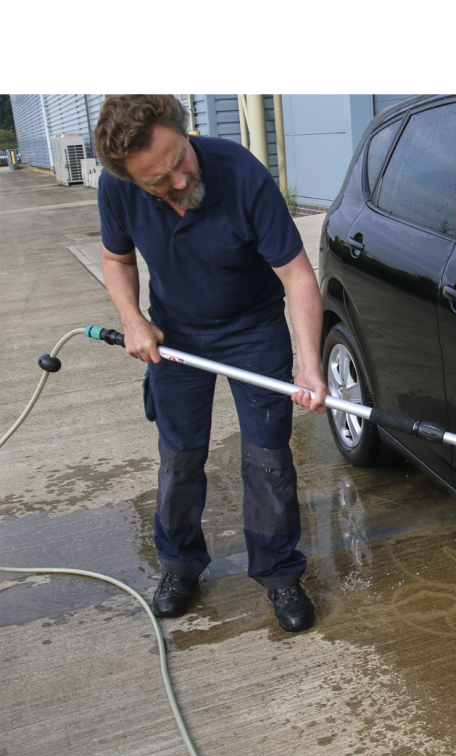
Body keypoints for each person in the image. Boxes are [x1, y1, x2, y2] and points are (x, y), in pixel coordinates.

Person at [94, 94, 327, 634]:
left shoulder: (242, 174)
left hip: (254, 331)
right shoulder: (116, 187)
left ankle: (277, 572)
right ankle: (179, 566)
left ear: (185, 130)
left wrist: (309, 365)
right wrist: (132, 318)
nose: (177, 182)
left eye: (180, 161)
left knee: (267, 459)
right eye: (157, 180)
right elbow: (116, 258)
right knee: (179, 458)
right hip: (173, 336)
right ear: (129, 178)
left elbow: (296, 277)